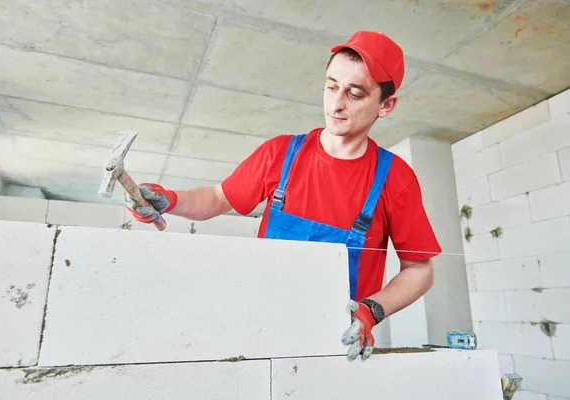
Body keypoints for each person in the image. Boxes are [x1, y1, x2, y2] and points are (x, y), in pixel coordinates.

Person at [125, 31, 442, 361]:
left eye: (355, 93)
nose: (336, 103)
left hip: (337, 346)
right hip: (257, 329)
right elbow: (219, 197)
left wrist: (371, 311)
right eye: (331, 86)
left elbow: (420, 270)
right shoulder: (281, 153)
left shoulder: (394, 179)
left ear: (386, 105)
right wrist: (171, 199)